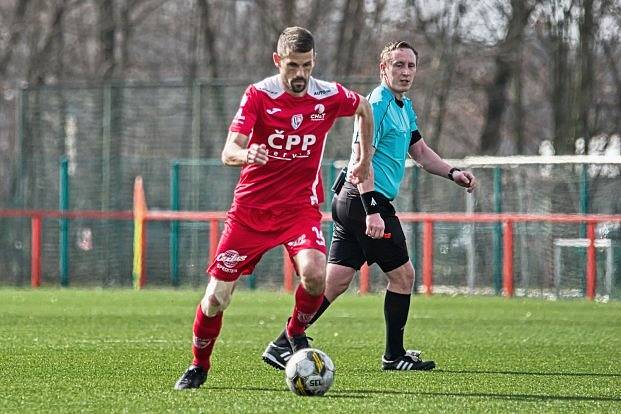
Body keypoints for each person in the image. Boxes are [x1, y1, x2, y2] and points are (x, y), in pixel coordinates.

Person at [174, 26, 374, 390]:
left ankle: (293, 335)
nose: (301, 75)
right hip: (251, 212)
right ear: (277, 61)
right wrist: (246, 153)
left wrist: (364, 159)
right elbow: (228, 150)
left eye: (307, 66)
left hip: (299, 209)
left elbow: (363, 108)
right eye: (293, 66)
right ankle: (198, 365)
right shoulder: (258, 96)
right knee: (217, 298)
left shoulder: (327, 95)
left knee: (315, 274)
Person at [262, 41, 476, 371]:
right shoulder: (376, 104)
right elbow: (364, 159)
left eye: (411, 66)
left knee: (333, 283)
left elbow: (419, 153)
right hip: (363, 199)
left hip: (353, 200)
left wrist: (453, 172)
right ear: (383, 69)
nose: (405, 72)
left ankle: (282, 343)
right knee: (404, 276)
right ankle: (394, 355)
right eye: (398, 65)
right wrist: (373, 208)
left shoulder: (403, 107)